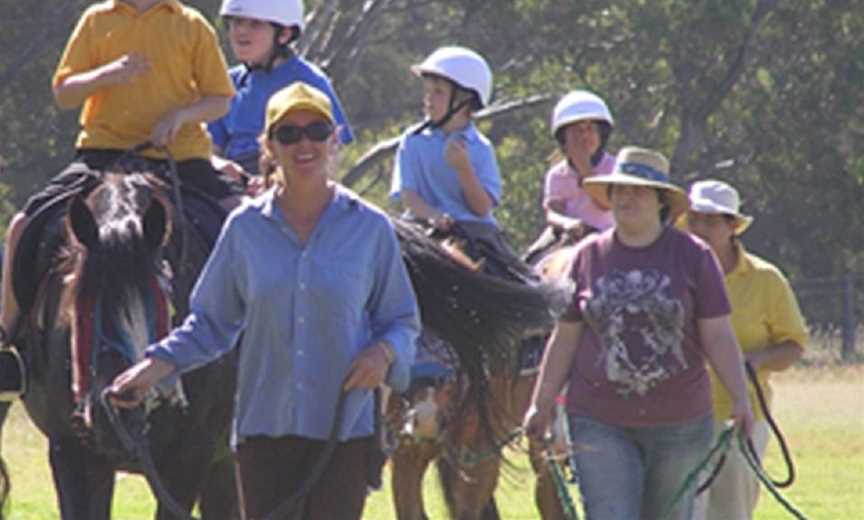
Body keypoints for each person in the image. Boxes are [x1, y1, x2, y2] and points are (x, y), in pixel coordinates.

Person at [108, 82, 420, 520]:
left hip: (343, 433)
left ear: (334, 139)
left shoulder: (370, 229)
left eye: (316, 130)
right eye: (288, 134)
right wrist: (152, 368)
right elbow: (211, 323)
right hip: (263, 434)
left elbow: (403, 321)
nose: (303, 143)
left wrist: (383, 353)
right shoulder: (244, 229)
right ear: (269, 146)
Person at [0, 0, 238, 394]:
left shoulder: (192, 24)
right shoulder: (96, 21)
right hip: (103, 157)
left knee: (243, 223)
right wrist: (105, 76)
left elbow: (220, 98)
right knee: (25, 224)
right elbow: (64, 91)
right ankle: (10, 342)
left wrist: (180, 116)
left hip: (181, 160)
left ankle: (254, 341)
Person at [523, 146, 755, 520]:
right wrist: (541, 402)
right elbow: (565, 338)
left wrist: (741, 397)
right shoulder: (586, 258)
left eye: (639, 190)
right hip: (599, 420)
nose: (627, 197)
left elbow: (718, 335)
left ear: (661, 200)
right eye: (619, 190)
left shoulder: (694, 257)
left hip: (680, 423)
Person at [683, 180, 808, 520]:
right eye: (694, 219)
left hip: (741, 419)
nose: (700, 229)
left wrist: (756, 361)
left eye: (710, 221)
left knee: (730, 512)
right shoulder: (674, 273)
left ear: (732, 226)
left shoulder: (766, 279)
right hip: (677, 418)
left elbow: (794, 344)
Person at [390, 45, 522, 273]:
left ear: (464, 100)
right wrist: (434, 216)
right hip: (420, 226)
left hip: (476, 233)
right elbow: (408, 196)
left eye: (438, 92)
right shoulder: (412, 141)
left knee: (518, 283)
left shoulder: (480, 148)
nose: (428, 99)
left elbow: (481, 209)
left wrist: (464, 169)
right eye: (427, 91)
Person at [208, 0, 353, 178]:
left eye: (255, 24)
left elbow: (332, 151)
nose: (242, 31)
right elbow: (212, 148)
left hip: (290, 179)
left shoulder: (309, 81)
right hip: (232, 182)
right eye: (237, 22)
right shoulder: (228, 81)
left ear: (284, 34)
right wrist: (220, 166)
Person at [524, 90, 616, 263]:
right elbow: (552, 212)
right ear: (563, 139)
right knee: (530, 261)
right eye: (576, 131)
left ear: (601, 135)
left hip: (608, 233)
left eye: (589, 129)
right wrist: (567, 223)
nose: (583, 136)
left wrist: (585, 170)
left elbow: (605, 204)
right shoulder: (557, 174)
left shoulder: (614, 168)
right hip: (569, 234)